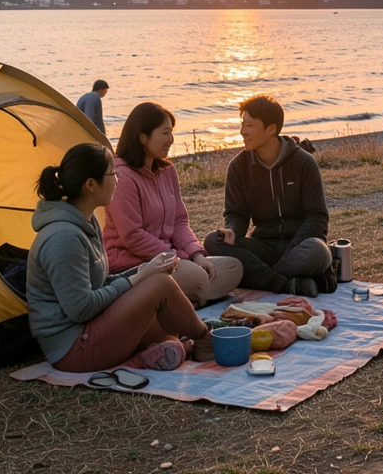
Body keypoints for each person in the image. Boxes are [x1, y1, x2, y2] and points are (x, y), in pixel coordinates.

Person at [27, 142, 213, 374]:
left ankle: (169, 347)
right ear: (91, 185)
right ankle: (207, 342)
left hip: (91, 327)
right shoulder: (63, 238)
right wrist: (138, 278)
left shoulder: (85, 221)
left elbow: (98, 284)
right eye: (112, 174)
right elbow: (81, 309)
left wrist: (142, 270)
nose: (117, 179)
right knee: (159, 284)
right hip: (73, 348)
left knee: (168, 323)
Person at [104, 102, 243, 307]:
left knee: (233, 268)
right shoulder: (123, 176)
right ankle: (180, 299)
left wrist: (196, 254)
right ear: (142, 137)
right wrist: (179, 259)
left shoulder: (167, 171)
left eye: (171, 132)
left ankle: (179, 301)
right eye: (165, 133)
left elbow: (179, 221)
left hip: (170, 259)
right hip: (135, 265)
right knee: (198, 278)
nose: (171, 139)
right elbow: (133, 236)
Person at [204, 95, 334, 297]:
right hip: (263, 245)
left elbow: (317, 217)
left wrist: (289, 253)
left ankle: (263, 277)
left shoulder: (303, 162)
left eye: (249, 126)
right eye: (242, 124)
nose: (242, 132)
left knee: (317, 251)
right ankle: (286, 284)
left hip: (300, 246)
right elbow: (237, 215)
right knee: (213, 241)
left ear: (271, 128)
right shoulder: (239, 167)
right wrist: (232, 231)